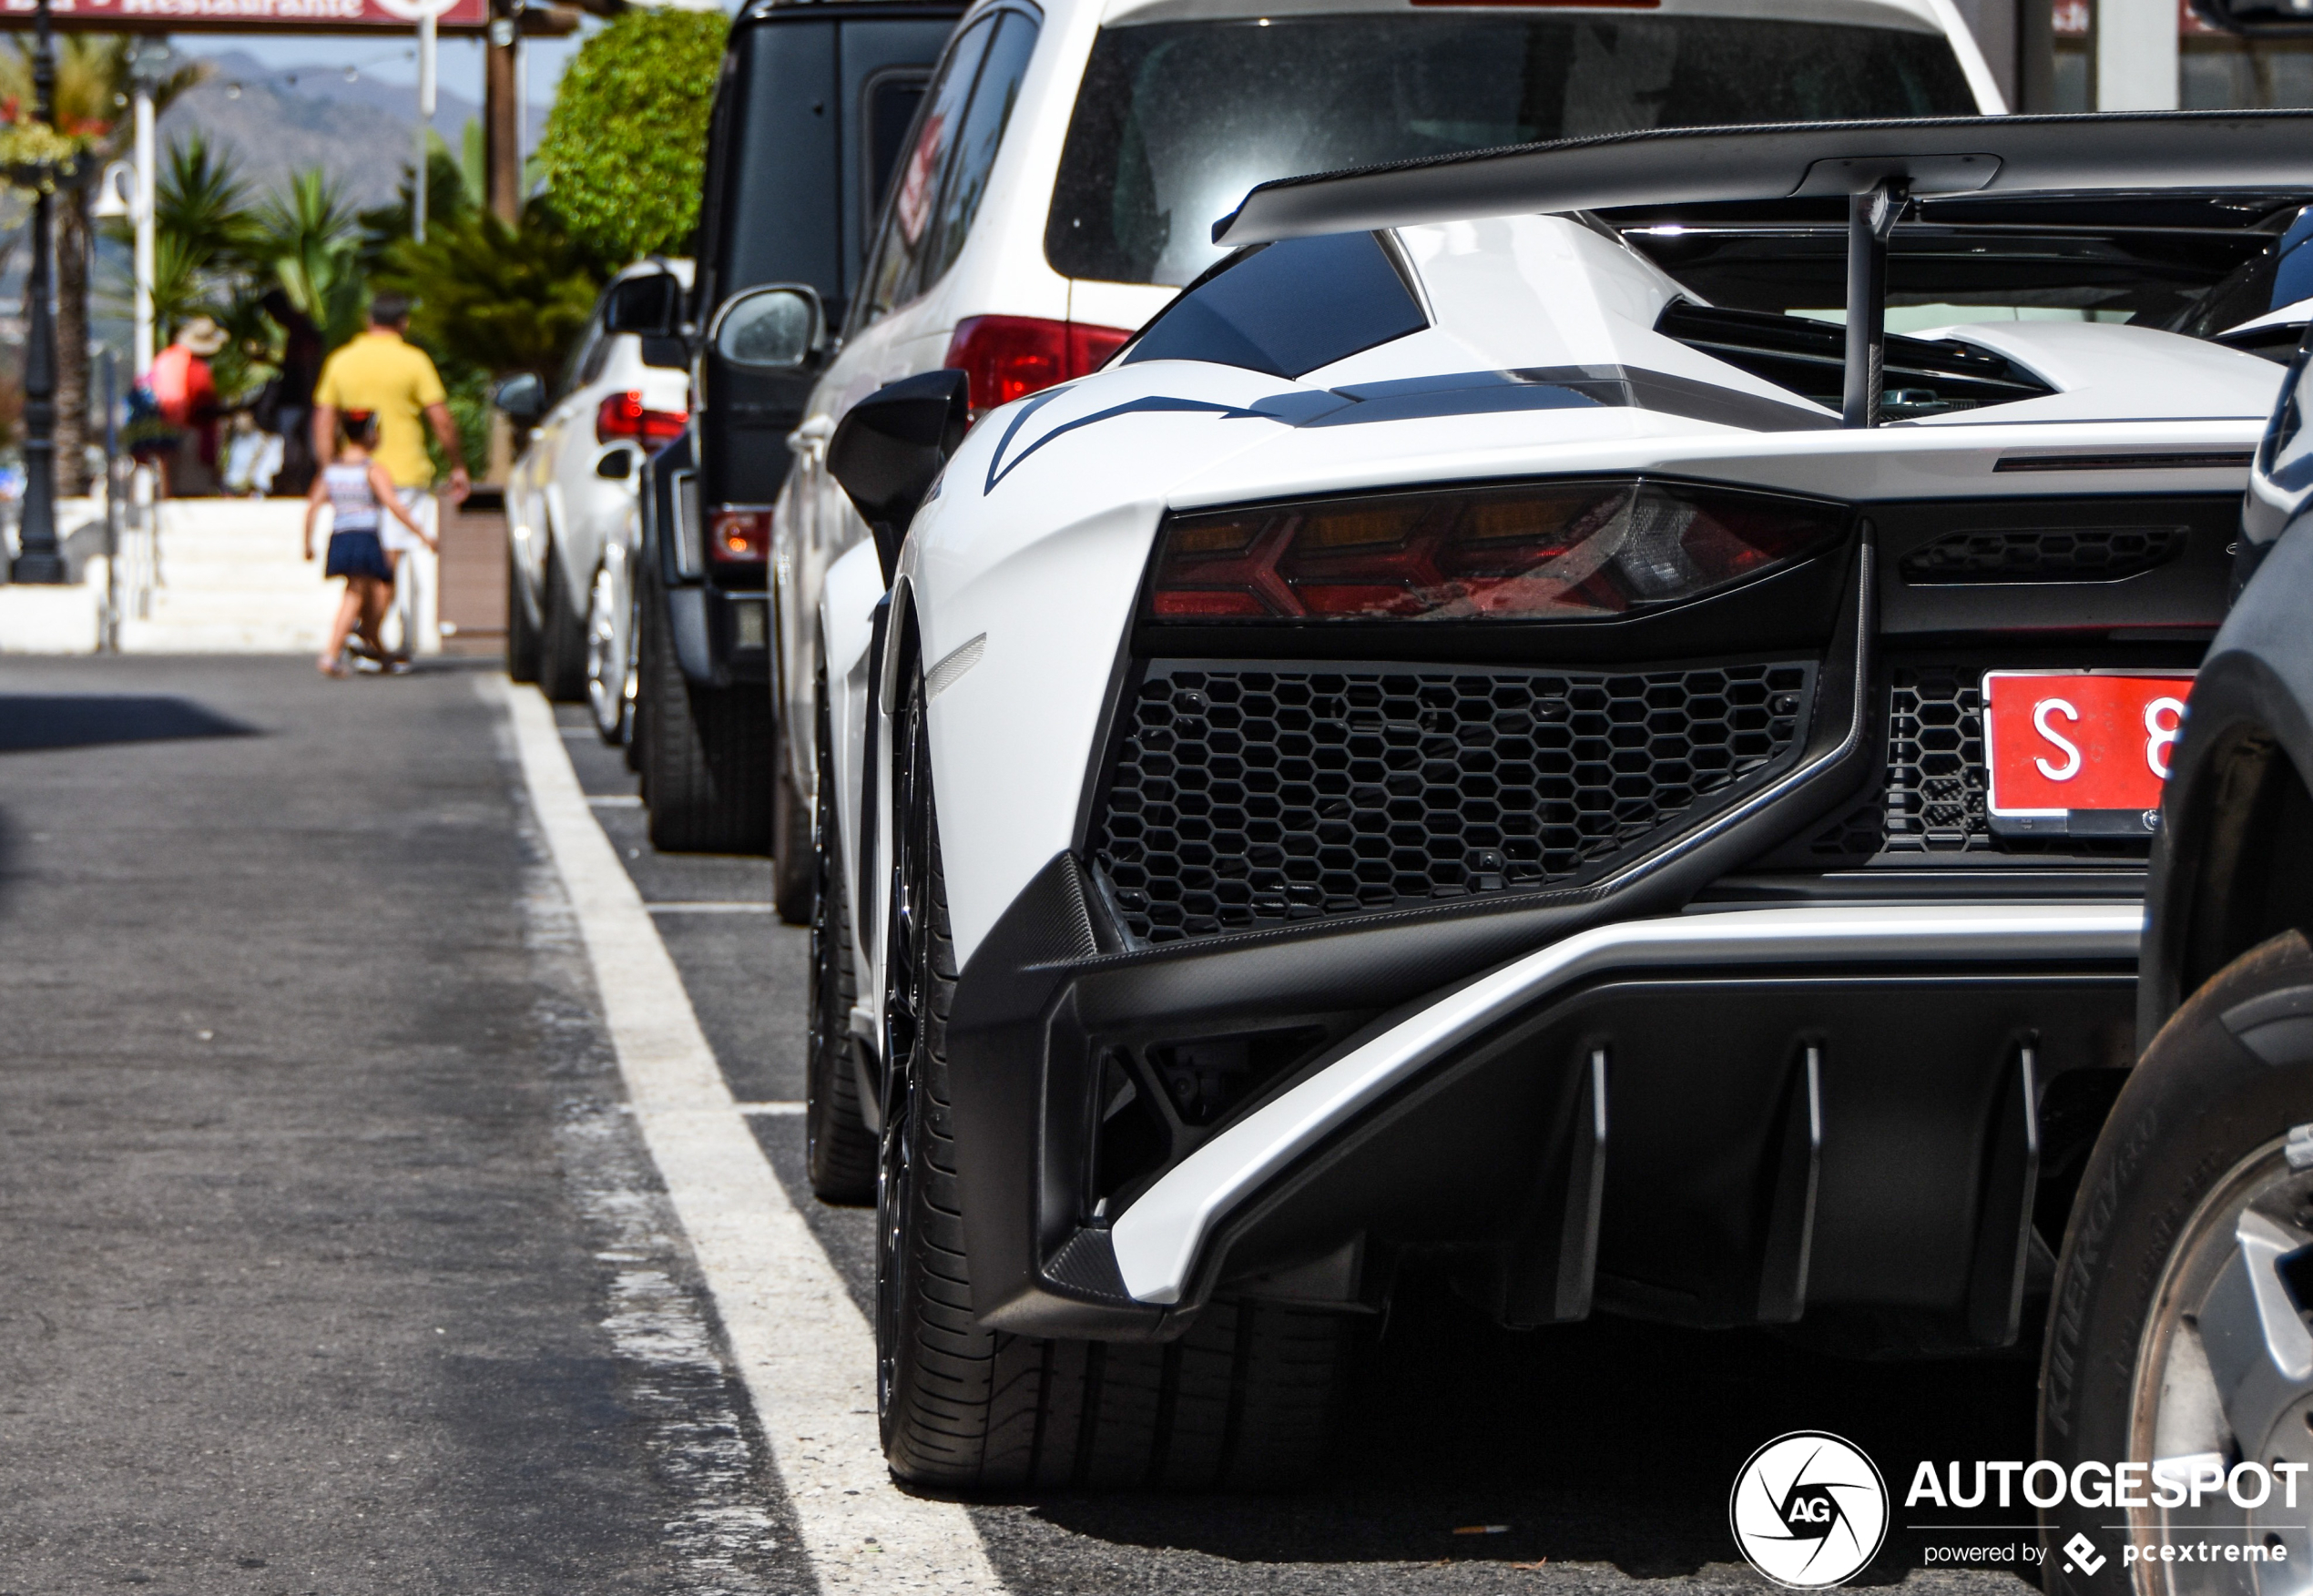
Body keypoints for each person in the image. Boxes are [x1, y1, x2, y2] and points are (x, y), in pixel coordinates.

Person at [311, 292, 470, 650]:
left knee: (365, 563)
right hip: (404, 473)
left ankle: (364, 633)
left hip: (355, 474)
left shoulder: (342, 360)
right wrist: (458, 464)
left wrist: (329, 468)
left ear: (369, 321)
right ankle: (368, 637)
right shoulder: (414, 361)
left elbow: (323, 418)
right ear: (403, 323)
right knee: (386, 563)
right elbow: (441, 419)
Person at [305, 411, 433, 678]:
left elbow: (313, 507)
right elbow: (394, 504)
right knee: (356, 595)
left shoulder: (331, 471)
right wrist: (422, 533)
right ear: (368, 435)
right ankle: (331, 653)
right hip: (364, 536)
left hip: (340, 536)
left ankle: (378, 650)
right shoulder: (371, 470)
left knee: (366, 593)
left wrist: (308, 542)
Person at [148, 316, 226, 496]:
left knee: (171, 488)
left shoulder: (166, 360)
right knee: (191, 490)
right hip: (191, 435)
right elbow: (203, 407)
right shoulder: (197, 369)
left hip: (166, 434)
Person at [259, 289, 325, 496]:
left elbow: (307, 371)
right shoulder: (297, 331)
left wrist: (307, 409)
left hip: (298, 404)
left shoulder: (302, 332)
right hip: (296, 402)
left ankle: (300, 489)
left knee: (297, 452)